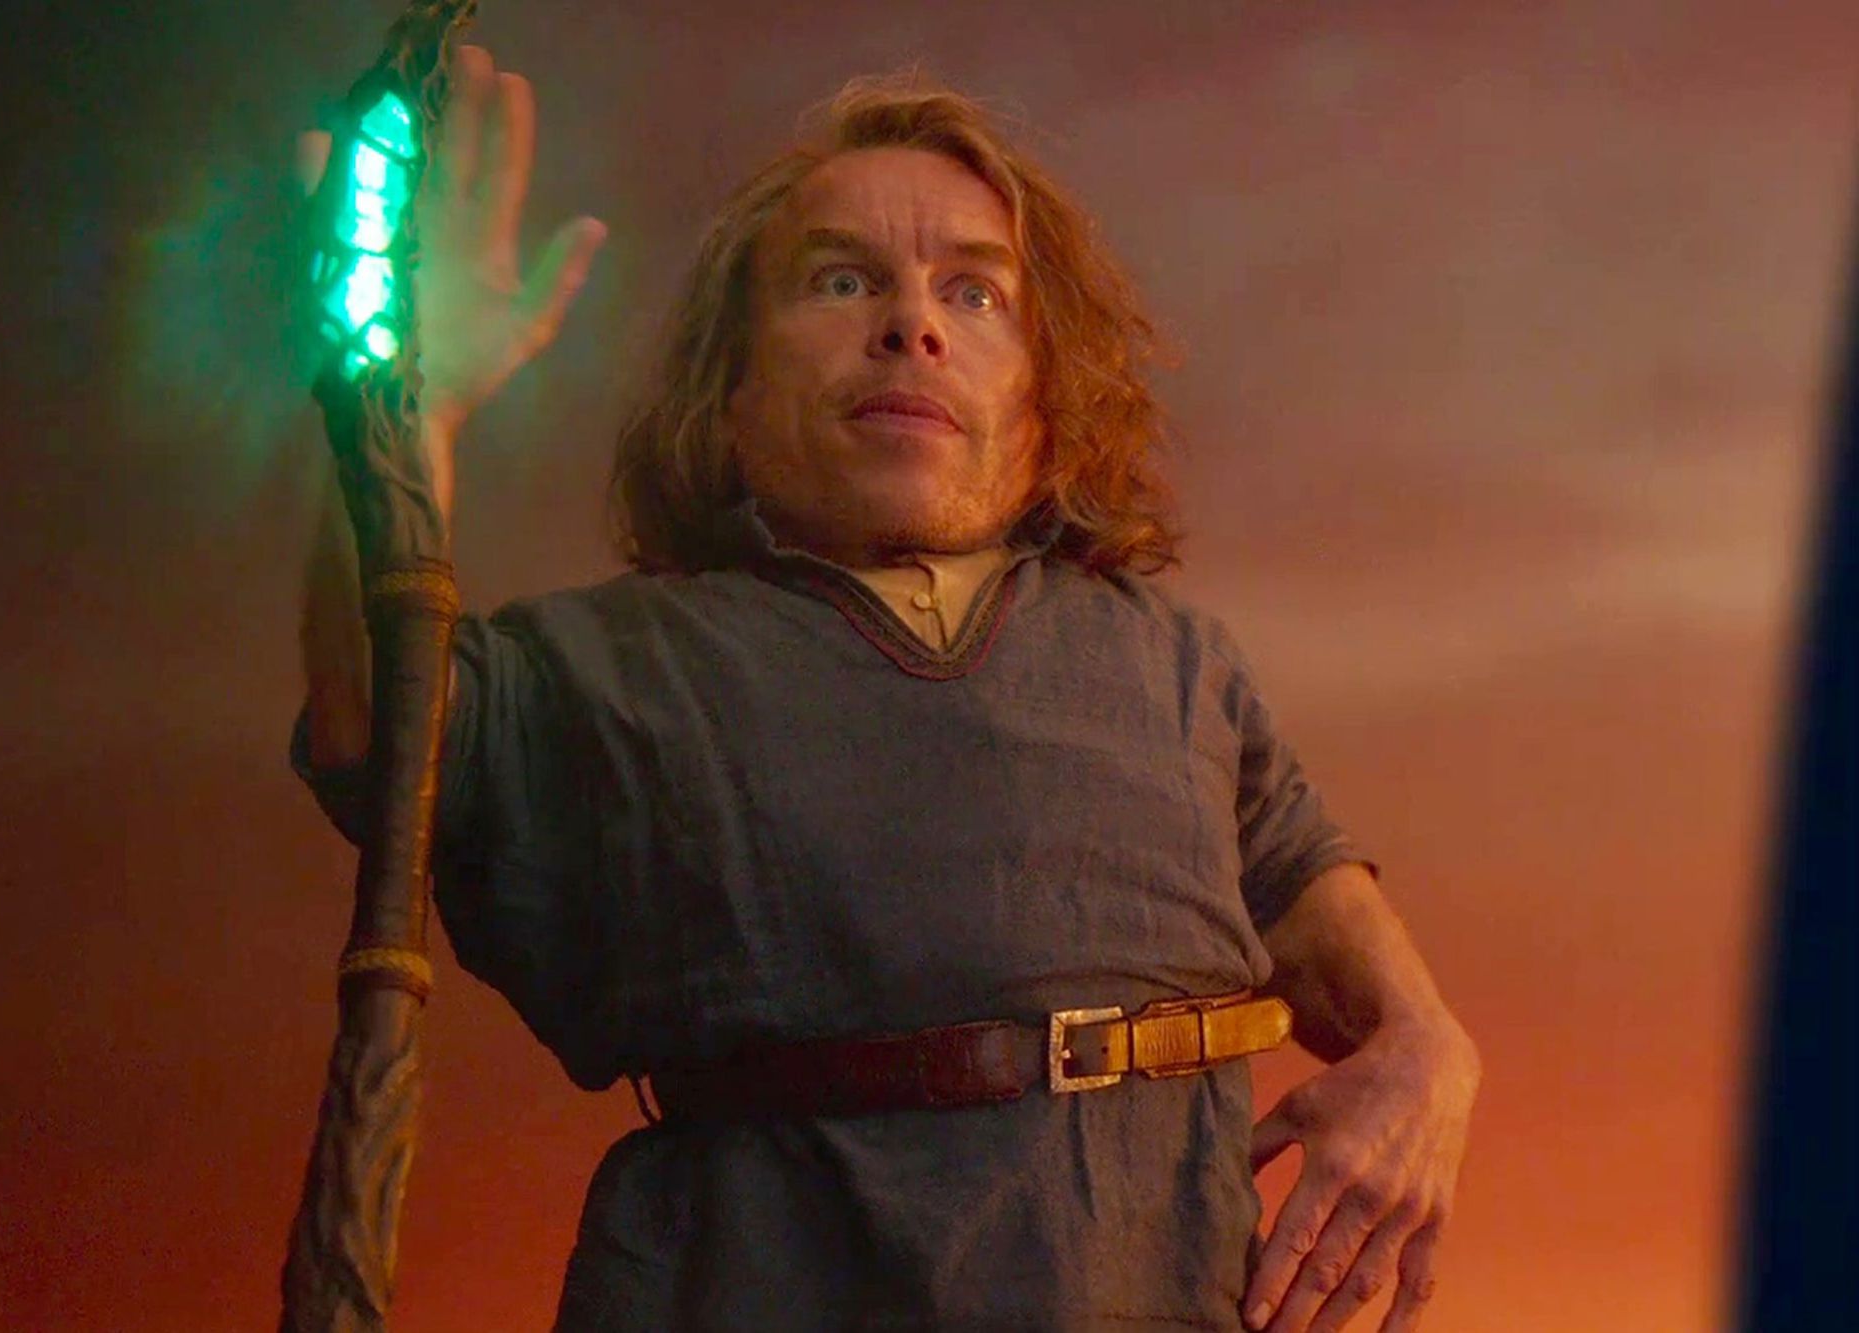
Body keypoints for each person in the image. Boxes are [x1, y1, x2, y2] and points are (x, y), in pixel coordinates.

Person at [293, 46, 1478, 1333]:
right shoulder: (608, 668)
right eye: (841, 279)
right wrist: (395, 427)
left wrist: (1427, 1050)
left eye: (974, 292)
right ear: (731, 389)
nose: (911, 323)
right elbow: (381, 716)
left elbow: (1301, 881)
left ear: (1043, 396)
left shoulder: (1174, 662)